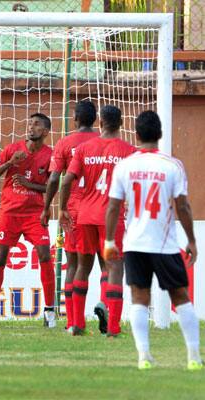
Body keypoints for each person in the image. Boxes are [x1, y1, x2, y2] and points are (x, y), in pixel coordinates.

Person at [104, 111, 202, 370]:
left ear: (135, 135)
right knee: (181, 297)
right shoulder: (172, 165)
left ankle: (143, 356)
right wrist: (191, 240)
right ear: (160, 134)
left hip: (134, 242)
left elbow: (113, 207)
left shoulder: (125, 166)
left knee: (139, 298)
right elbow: (183, 206)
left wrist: (109, 241)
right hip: (165, 244)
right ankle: (194, 357)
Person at [59, 105, 135, 336]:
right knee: (114, 266)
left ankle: (77, 324)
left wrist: (62, 209)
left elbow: (65, 181)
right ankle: (112, 326)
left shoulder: (83, 149)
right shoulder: (129, 151)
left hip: (84, 215)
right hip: (111, 217)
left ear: (100, 123)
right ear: (121, 124)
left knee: (82, 266)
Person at [41, 100, 108, 333]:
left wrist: (47, 206)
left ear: (76, 119)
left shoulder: (65, 143)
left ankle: (73, 321)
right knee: (107, 263)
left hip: (73, 211)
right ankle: (106, 304)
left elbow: (54, 179)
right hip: (104, 208)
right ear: (97, 120)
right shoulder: (104, 142)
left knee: (74, 265)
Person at [0, 113, 54, 327]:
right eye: (30, 123)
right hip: (10, 213)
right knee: (0, 256)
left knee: (44, 253)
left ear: (45, 132)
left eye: (36, 125)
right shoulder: (13, 149)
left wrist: (28, 184)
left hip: (34, 214)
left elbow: (52, 186)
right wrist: (10, 163)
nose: (31, 127)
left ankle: (50, 313)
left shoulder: (50, 155)